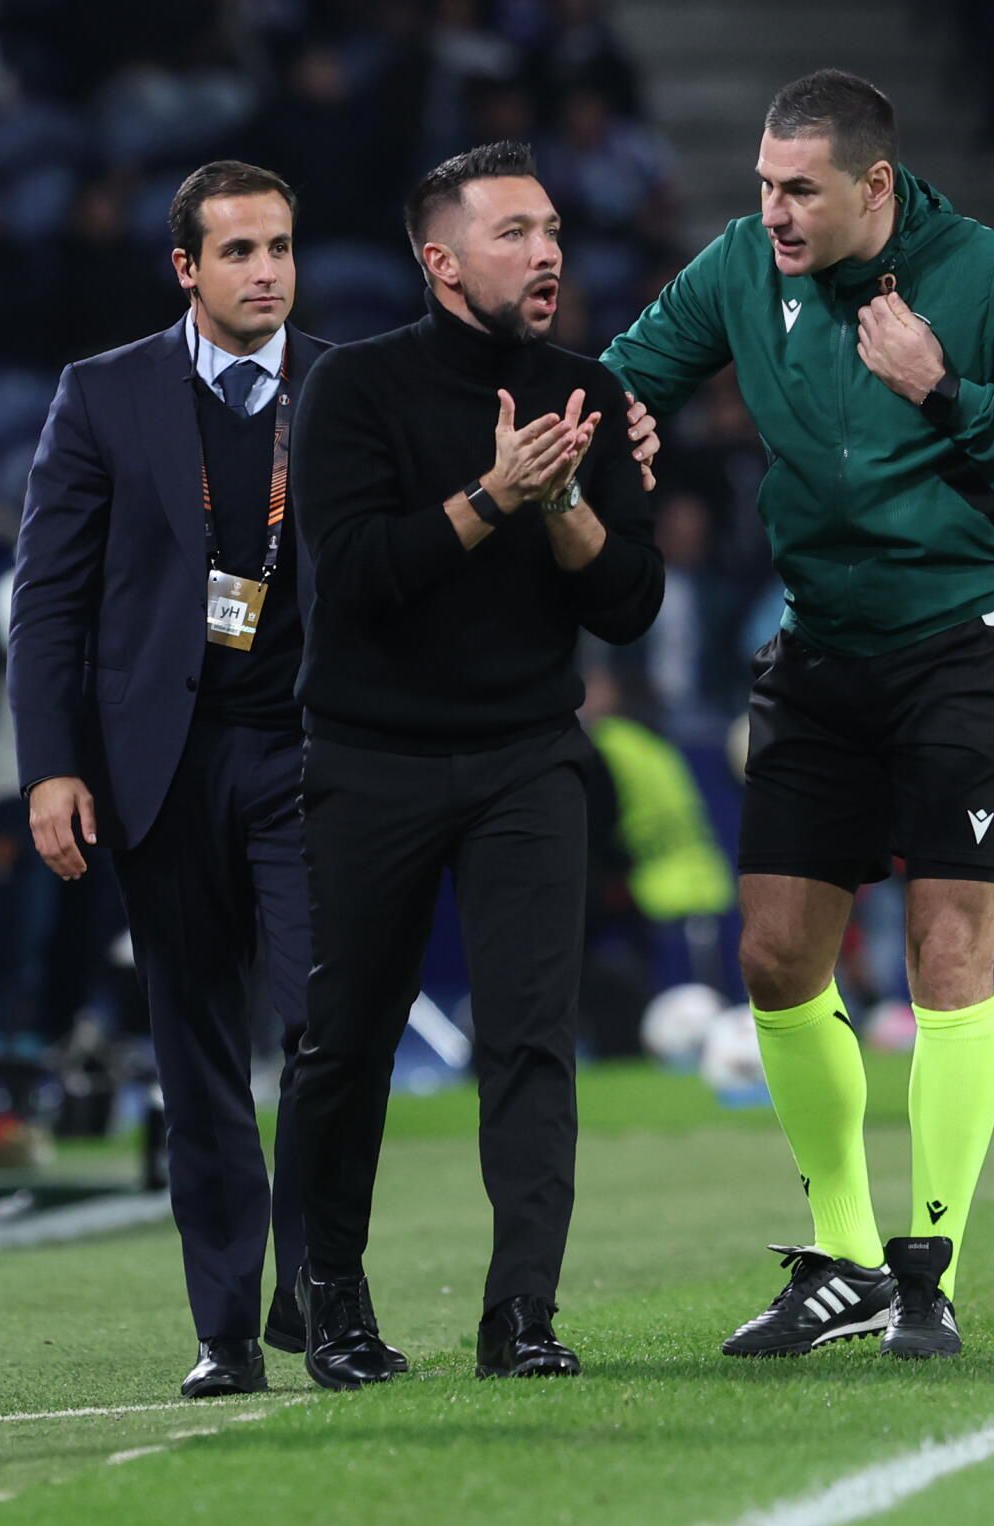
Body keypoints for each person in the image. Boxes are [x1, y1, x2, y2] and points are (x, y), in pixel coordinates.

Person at [600, 70, 994, 1361]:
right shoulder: (742, 267)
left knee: (947, 951)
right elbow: (623, 377)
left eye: (801, 190)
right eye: (764, 186)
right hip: (822, 645)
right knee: (776, 957)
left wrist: (946, 391)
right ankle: (843, 1259)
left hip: (963, 637)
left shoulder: (987, 275)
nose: (773, 212)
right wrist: (615, 429)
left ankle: (929, 1268)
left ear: (874, 185)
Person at [289, 140, 664, 1388]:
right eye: (514, 233)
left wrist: (563, 502)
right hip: (372, 757)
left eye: (551, 229)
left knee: (531, 1042)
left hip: (527, 757)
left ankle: (523, 1316)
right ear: (441, 262)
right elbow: (356, 581)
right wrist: (495, 494)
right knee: (347, 1039)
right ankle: (332, 1300)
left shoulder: (589, 393)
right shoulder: (354, 387)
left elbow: (630, 603)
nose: (547, 252)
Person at [7, 161, 333, 1400]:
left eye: (282, 247)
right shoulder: (102, 394)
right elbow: (50, 600)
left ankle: (324, 1293)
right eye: (239, 251)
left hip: (305, 757)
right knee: (195, 1057)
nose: (267, 272)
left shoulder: (341, 385)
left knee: (326, 1028)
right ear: (186, 268)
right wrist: (52, 767)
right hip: (163, 766)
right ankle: (226, 1333)